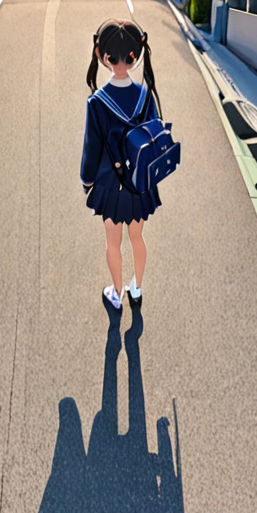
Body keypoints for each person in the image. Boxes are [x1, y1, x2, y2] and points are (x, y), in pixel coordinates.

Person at [80, 19, 162, 311]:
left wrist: (87, 180)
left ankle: (116, 293)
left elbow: (91, 149)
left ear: (102, 56)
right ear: (135, 55)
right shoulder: (145, 96)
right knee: (136, 236)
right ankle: (136, 288)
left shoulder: (97, 102)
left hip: (111, 187)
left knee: (113, 242)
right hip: (139, 184)